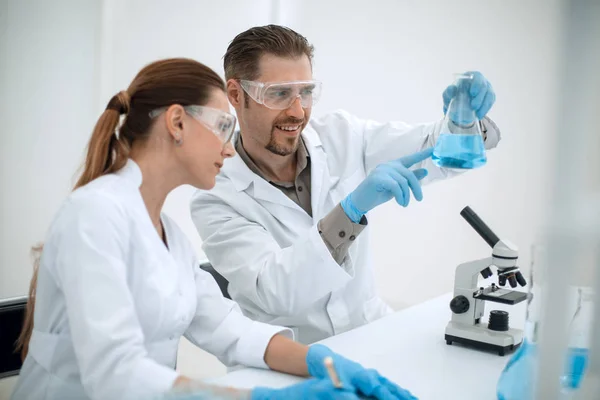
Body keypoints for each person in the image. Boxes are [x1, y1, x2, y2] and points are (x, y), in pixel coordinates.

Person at [10, 58, 416, 400]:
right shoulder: (93, 215)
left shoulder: (168, 234)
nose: (228, 147)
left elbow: (227, 329)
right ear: (176, 123)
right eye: (223, 127)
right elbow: (114, 373)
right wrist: (258, 397)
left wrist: (323, 363)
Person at [190, 25, 501, 344]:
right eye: (279, 93)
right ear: (236, 95)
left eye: (306, 92)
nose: (298, 112)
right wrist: (349, 214)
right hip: (294, 356)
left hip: (371, 331)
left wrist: (462, 121)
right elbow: (275, 292)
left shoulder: (342, 136)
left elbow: (435, 152)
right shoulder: (216, 197)